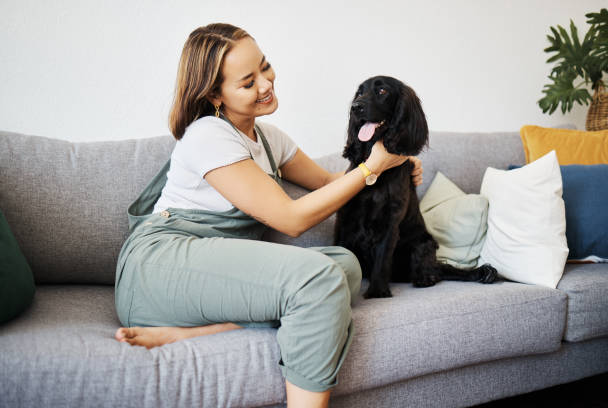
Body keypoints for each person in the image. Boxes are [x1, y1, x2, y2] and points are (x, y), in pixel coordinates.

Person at [113, 23, 423, 408]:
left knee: (346, 265)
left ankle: (199, 330)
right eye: (248, 82)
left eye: (266, 67)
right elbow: (291, 219)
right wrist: (368, 170)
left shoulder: (271, 140)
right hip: (159, 268)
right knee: (318, 278)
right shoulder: (208, 135)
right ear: (214, 94)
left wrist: (393, 168)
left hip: (215, 276)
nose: (266, 84)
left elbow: (333, 187)